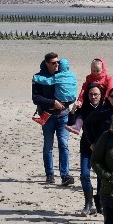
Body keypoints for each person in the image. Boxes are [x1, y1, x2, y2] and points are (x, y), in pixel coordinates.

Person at [83, 86, 113, 214]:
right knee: (102, 177)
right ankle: (101, 203)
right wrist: (91, 141)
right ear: (108, 98)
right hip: (102, 148)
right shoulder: (102, 110)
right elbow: (87, 123)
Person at [31, 52, 72, 185]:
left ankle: (65, 175)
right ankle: (50, 174)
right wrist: (52, 102)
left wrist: (63, 105)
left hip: (63, 115)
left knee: (63, 144)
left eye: (58, 62)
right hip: (47, 116)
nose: (57, 65)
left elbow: (71, 94)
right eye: (54, 63)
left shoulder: (64, 74)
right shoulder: (39, 77)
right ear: (47, 64)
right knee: (48, 146)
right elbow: (36, 98)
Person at [68, 83, 103, 215]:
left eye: (96, 94)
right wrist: (73, 110)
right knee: (84, 174)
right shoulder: (84, 108)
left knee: (101, 176)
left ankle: (99, 202)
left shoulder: (105, 108)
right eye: (91, 94)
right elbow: (71, 123)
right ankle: (88, 202)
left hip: (101, 146)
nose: (93, 96)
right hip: (86, 144)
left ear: (101, 95)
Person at [67, 58, 113, 133]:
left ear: (103, 69)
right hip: (89, 98)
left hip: (101, 100)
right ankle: (77, 126)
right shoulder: (89, 77)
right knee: (81, 111)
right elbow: (84, 89)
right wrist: (80, 100)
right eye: (93, 70)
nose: (95, 73)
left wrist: (105, 100)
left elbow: (109, 90)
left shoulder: (108, 78)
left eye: (98, 71)